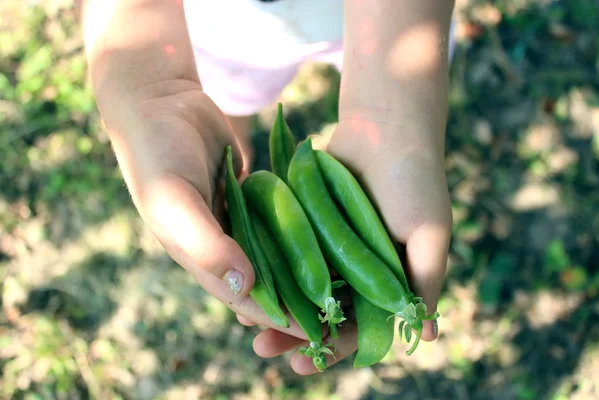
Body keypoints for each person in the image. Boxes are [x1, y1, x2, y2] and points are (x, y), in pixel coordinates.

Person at [75, 0, 455, 375]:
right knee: (221, 125)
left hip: (390, 25)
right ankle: (232, 161)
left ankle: (233, 163)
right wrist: (154, 92)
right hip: (224, 24)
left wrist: (392, 111)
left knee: (229, 144)